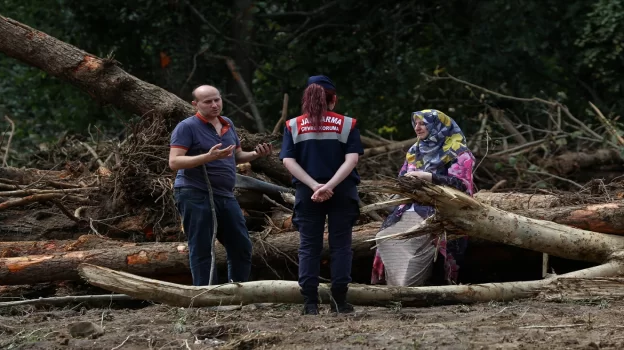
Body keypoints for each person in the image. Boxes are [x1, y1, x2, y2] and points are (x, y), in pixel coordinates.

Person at [169, 85, 272, 286]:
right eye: (208, 102)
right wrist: (207, 157)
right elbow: (174, 162)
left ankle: (237, 292)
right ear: (195, 105)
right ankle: (207, 297)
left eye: (217, 100)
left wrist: (256, 155)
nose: (215, 105)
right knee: (202, 248)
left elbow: (236, 156)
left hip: (225, 194)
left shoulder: (228, 124)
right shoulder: (186, 127)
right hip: (194, 192)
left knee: (241, 245)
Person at [279, 75, 364, 315]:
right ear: (333, 99)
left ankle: (310, 304)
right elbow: (352, 159)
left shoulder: (293, 125)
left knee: (308, 247)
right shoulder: (347, 124)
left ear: (306, 99)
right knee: (341, 246)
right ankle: (339, 301)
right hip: (342, 191)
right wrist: (330, 186)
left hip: (308, 193)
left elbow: (288, 160)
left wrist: (315, 186)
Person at [371, 109, 475, 287]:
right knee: (385, 236)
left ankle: (412, 285)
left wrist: (429, 177)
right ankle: (397, 286)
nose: (417, 128)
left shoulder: (458, 152)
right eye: (416, 124)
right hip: (407, 208)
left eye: (422, 124)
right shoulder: (415, 150)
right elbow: (402, 178)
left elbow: (463, 186)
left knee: (416, 238)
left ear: (437, 125)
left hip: (438, 209)